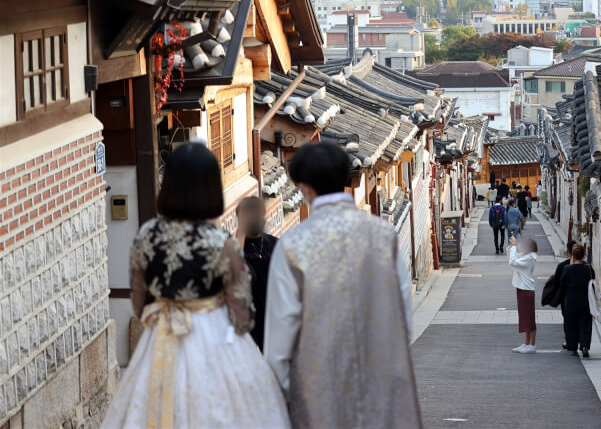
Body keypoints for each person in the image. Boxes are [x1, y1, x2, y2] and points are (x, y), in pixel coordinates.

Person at [103, 143, 289, 428]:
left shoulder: (147, 235)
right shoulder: (221, 243)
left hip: (163, 337)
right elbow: (242, 316)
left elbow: (140, 303)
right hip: (215, 336)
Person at [265, 142, 421, 428]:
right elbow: (402, 318)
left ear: (303, 186)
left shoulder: (293, 246)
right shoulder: (383, 236)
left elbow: (279, 342)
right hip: (380, 379)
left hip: (318, 387)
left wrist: (288, 392)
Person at [236, 196, 279, 352]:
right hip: (248, 322)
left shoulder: (276, 244)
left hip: (275, 317)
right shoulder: (235, 249)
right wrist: (240, 234)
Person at [560, 243, 596, 358]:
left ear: (572, 256)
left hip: (571, 300)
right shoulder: (588, 268)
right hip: (585, 300)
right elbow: (593, 278)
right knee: (585, 323)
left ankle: (573, 347)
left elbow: (562, 283)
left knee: (571, 323)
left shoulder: (567, 268)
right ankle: (585, 346)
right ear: (583, 255)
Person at [509, 236, 538, 354]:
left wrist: (514, 247)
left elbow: (512, 261)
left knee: (529, 317)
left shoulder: (530, 258)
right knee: (524, 316)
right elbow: (512, 258)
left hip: (526, 289)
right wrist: (513, 246)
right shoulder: (526, 256)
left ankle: (532, 344)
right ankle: (526, 343)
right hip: (522, 288)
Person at [554, 240, 577, 349]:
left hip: (566, 297)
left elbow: (557, 281)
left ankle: (570, 341)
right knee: (580, 319)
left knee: (568, 320)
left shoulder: (563, 266)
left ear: (568, 252)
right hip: (583, 298)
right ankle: (580, 341)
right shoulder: (586, 266)